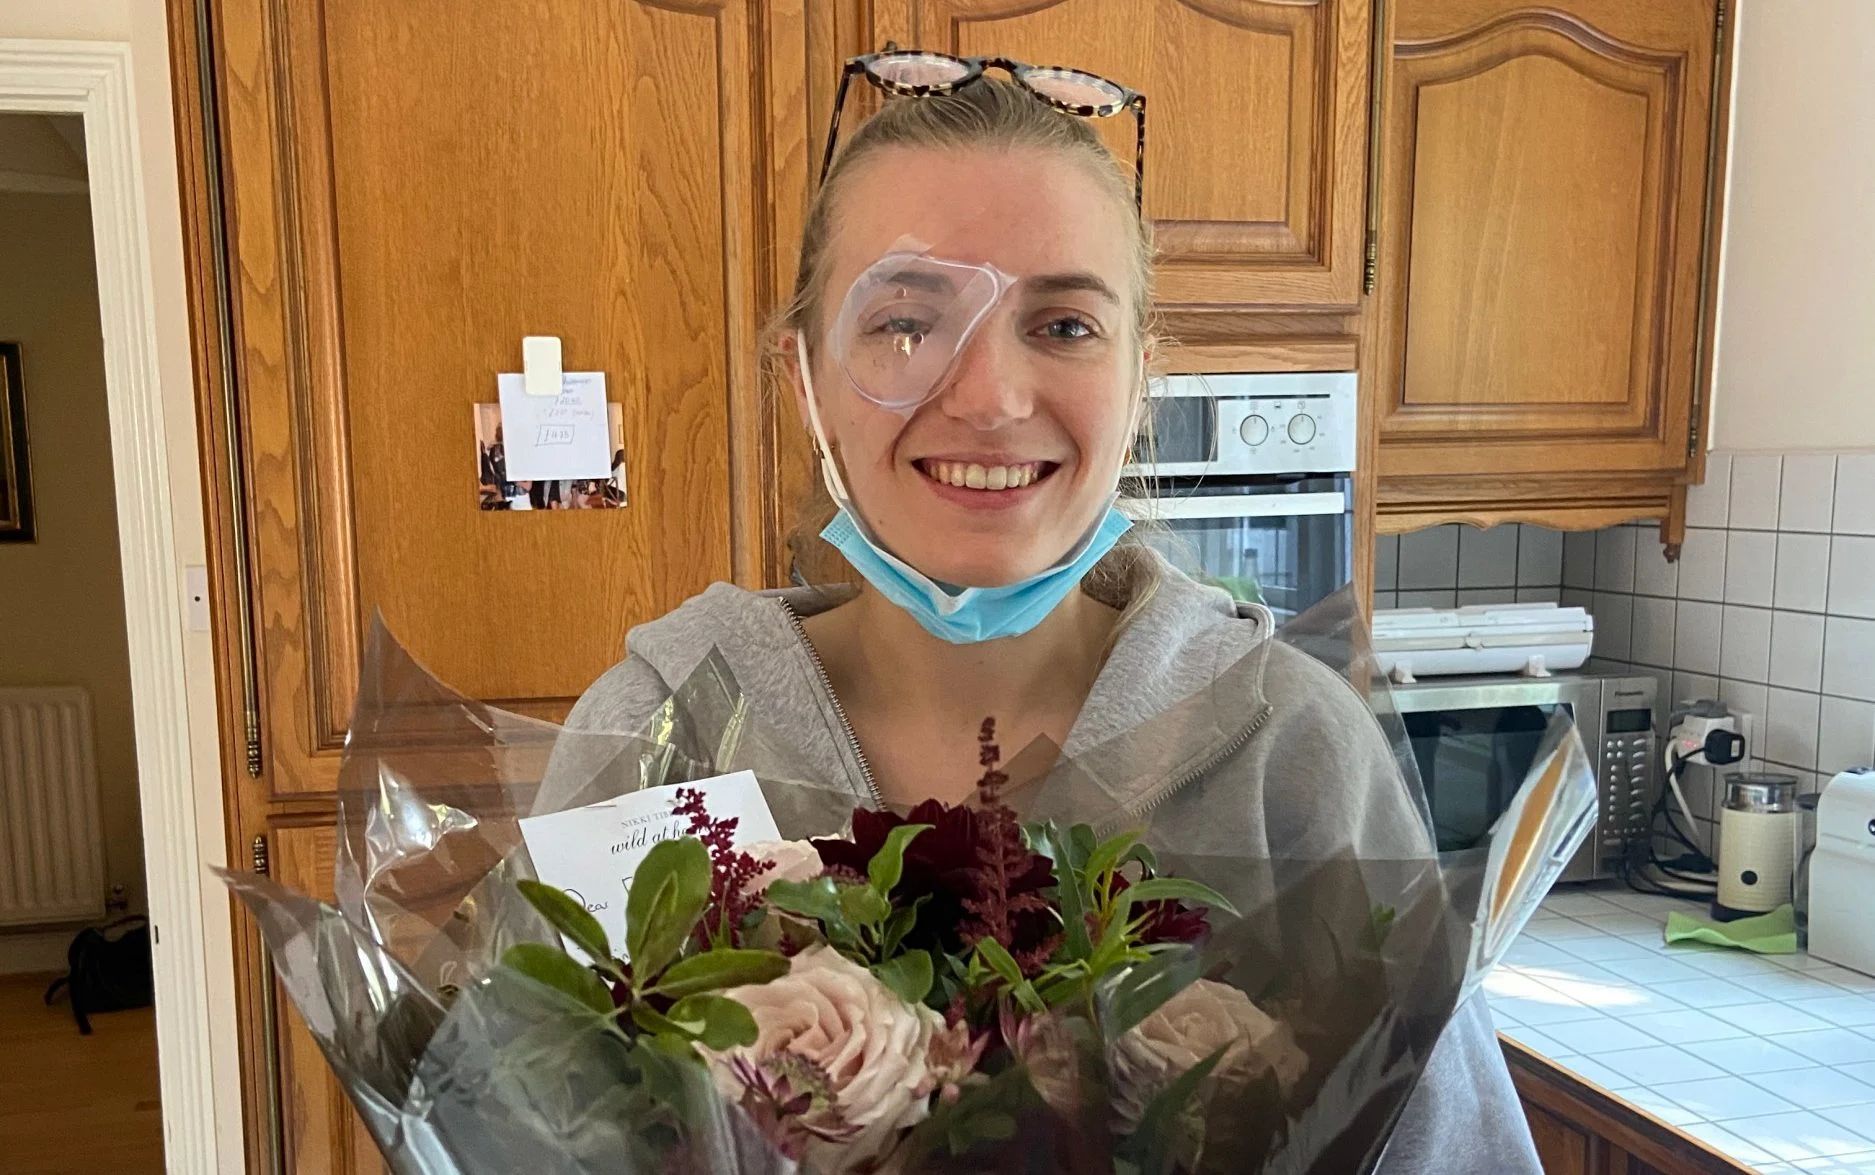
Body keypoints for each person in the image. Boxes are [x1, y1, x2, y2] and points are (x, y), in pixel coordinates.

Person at [561, 58, 1539, 1173]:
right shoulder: (653, 734)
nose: (988, 396)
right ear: (805, 381)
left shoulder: (1295, 756)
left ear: (1139, 380)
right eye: (903, 321)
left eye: (1065, 324)